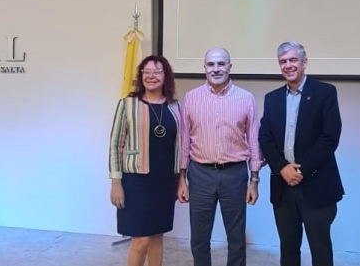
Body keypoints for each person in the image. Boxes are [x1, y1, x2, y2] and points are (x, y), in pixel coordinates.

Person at [258, 41, 344, 266]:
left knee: (320, 250)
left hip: (316, 185)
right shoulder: (272, 98)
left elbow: (329, 138)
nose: (288, 65)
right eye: (283, 62)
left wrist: (299, 170)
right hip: (283, 187)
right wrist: (282, 168)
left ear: (304, 62)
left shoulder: (325, 92)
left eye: (292, 60)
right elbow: (264, 138)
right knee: (288, 249)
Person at [176, 47, 263, 266]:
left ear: (230, 67)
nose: (216, 69)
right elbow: (185, 140)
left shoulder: (246, 98)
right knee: (199, 237)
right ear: (204, 68)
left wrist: (254, 180)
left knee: (236, 238)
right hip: (200, 174)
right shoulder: (191, 98)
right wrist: (182, 179)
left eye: (221, 64)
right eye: (211, 64)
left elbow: (254, 140)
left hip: (235, 175)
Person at [108, 55, 184, 266]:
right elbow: (115, 145)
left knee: (157, 236)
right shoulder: (127, 104)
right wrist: (116, 182)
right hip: (136, 182)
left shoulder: (175, 107)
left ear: (165, 76)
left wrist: (180, 180)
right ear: (141, 76)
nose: (151, 76)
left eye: (157, 72)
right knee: (140, 241)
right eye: (146, 71)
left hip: (165, 181)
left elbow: (180, 145)